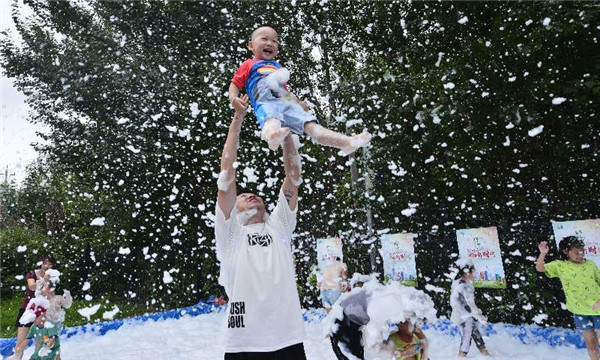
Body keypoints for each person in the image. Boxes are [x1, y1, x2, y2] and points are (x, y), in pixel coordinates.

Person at [214, 106, 306, 359]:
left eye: (254, 194)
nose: (250, 195)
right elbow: (226, 175)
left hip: (288, 337)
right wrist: (238, 119)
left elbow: (293, 176)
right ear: (235, 206)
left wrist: (287, 135)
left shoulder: (279, 225)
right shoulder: (231, 233)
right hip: (243, 341)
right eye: (243, 196)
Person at [228, 25, 371, 154]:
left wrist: (298, 102)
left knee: (313, 127)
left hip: (286, 103)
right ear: (251, 46)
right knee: (272, 121)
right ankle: (272, 137)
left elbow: (285, 92)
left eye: (274, 41)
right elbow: (234, 84)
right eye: (264, 39)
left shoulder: (277, 67)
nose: (270, 43)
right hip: (266, 104)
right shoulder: (249, 64)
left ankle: (346, 142)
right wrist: (234, 99)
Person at [537, 236, 600, 360]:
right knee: (591, 344)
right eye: (576, 253)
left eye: (582, 251)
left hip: (598, 309)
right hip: (579, 311)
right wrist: (542, 254)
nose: (580, 255)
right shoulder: (560, 266)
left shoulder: (590, 264)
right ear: (566, 252)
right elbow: (540, 268)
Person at [10, 254, 56, 360]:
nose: (47, 266)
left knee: (40, 344)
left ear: (53, 267)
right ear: (41, 264)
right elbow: (32, 286)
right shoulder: (32, 274)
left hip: (42, 312)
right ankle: (17, 357)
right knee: (20, 343)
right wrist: (43, 279)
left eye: (50, 264)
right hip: (27, 310)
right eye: (45, 263)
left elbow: (48, 295)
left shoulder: (53, 278)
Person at [450, 261, 491, 357]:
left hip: (459, 315)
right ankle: (462, 356)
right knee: (466, 339)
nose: (475, 274)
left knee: (475, 334)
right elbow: (472, 306)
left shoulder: (456, 283)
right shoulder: (466, 287)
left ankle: (485, 353)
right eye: (473, 271)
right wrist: (482, 319)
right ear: (466, 273)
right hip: (465, 316)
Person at [36, 269, 72, 360]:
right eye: (46, 286)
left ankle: (50, 351)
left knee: (54, 342)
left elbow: (67, 305)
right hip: (45, 323)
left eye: (49, 286)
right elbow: (37, 292)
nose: (47, 288)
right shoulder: (41, 296)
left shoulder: (58, 298)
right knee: (46, 341)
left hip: (56, 323)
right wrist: (44, 279)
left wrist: (67, 292)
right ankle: (47, 350)